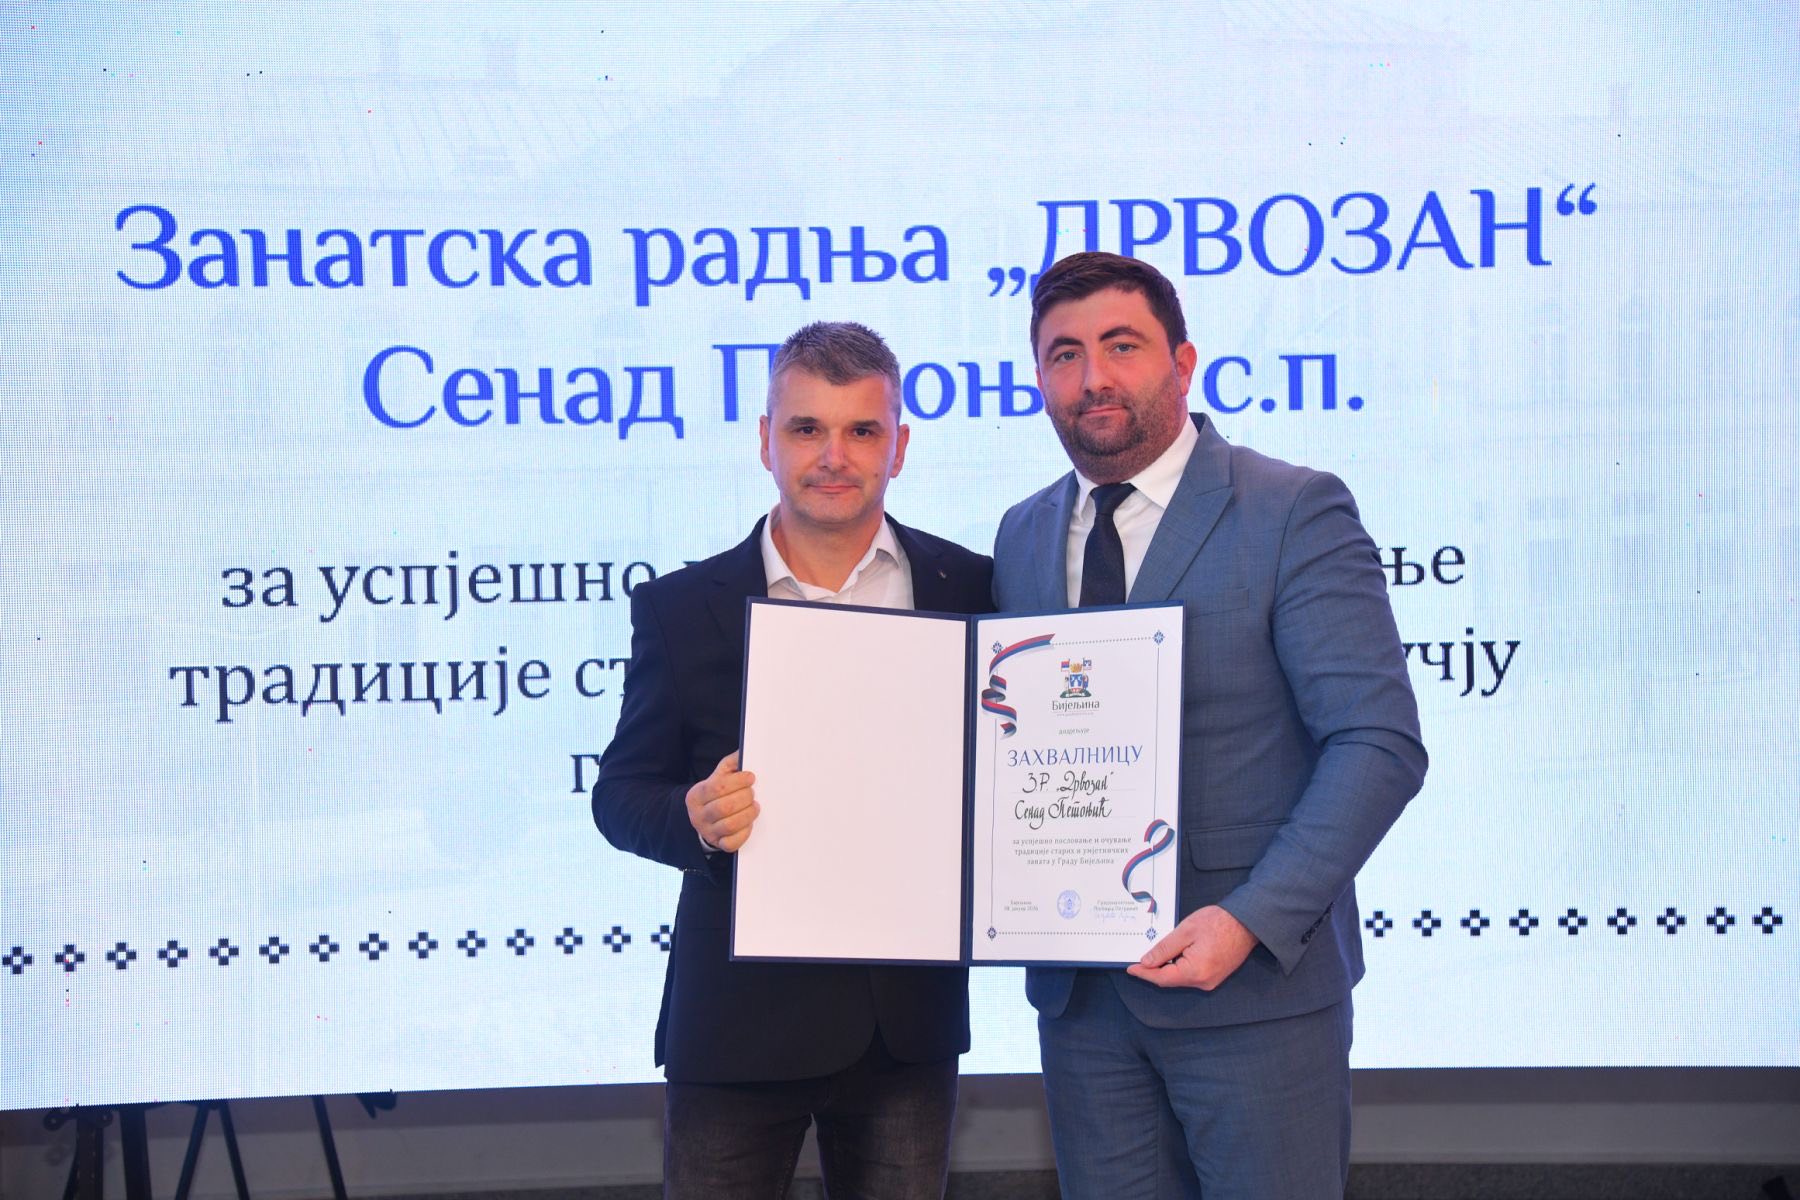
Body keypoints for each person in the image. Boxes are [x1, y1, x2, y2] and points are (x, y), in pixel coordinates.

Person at [993, 252, 1427, 1199]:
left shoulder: (1291, 509)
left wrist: (1250, 920)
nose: (1093, 376)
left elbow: (1378, 743)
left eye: (1122, 346)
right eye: (1064, 354)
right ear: (1039, 381)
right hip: (1082, 1008)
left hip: (1254, 994)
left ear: (1183, 363)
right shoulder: (1022, 532)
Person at [592, 321, 992, 1200]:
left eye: (862, 430)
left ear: (900, 447)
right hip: (737, 1026)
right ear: (765, 441)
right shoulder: (681, 607)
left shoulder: (971, 589)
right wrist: (693, 818)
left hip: (906, 1027)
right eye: (807, 428)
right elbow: (619, 794)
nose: (833, 456)